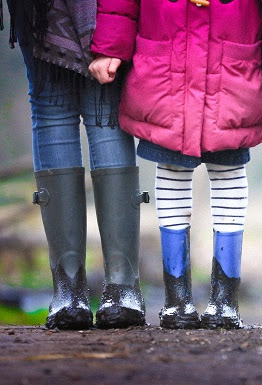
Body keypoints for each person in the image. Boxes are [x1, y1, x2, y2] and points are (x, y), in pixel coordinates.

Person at [89, 0, 262, 329]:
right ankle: (176, 300)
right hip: (165, 67)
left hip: (230, 68)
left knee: (227, 172)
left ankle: (225, 300)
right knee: (172, 169)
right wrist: (111, 44)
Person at [1, 0, 149, 330]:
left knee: (95, 109)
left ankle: (107, 286)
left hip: (97, 11)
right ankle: (80, 289)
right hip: (41, 13)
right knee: (62, 109)